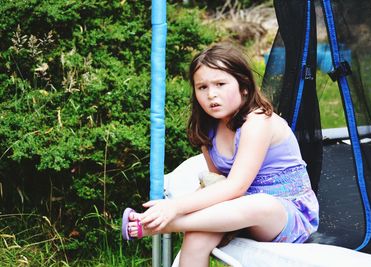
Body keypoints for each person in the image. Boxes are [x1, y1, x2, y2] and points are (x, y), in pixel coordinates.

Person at [122, 43, 319, 266]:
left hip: (283, 214)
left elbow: (235, 186)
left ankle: (159, 226)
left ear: (244, 86)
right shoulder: (207, 129)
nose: (212, 95)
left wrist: (174, 208)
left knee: (260, 203)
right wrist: (197, 206)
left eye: (220, 84)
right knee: (195, 239)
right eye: (202, 87)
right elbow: (218, 183)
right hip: (235, 208)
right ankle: (173, 226)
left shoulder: (258, 121)